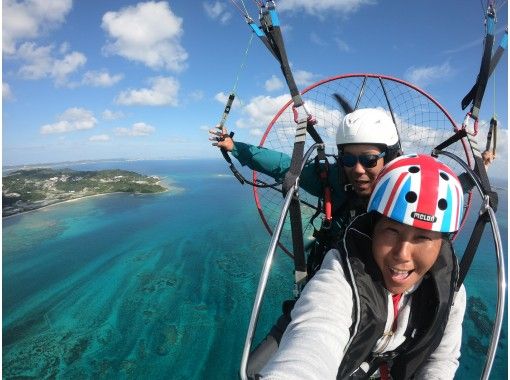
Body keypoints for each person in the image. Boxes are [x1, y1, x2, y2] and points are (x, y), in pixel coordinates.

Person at [258, 154, 467, 379]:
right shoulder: (343, 273)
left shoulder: (451, 290)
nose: (402, 254)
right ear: (372, 229)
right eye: (392, 231)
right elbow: (316, 333)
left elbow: (441, 358)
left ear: (442, 245)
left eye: (423, 238)